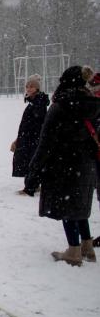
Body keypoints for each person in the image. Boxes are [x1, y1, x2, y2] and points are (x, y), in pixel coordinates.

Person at [25, 66, 100, 266]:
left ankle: (73, 251)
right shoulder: (92, 105)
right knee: (80, 206)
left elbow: (46, 141)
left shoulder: (61, 106)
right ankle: (87, 246)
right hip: (86, 164)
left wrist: (33, 170)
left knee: (67, 207)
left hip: (63, 164)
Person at [12, 75, 50, 194]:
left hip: (34, 138)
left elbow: (37, 121)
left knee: (32, 162)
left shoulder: (38, 102)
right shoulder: (33, 102)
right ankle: (32, 185)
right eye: (27, 86)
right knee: (29, 161)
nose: (28, 89)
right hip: (28, 137)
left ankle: (30, 187)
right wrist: (18, 139)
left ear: (37, 88)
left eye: (31, 86)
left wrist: (26, 137)